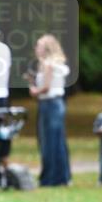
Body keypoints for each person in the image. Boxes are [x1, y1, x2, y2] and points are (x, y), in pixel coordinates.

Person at [28, 34, 71, 187]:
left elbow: (45, 88)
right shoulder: (58, 64)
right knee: (58, 141)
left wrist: (34, 90)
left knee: (48, 142)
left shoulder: (48, 65)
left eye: (38, 46)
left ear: (45, 49)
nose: (36, 49)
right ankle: (63, 176)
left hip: (49, 104)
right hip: (58, 104)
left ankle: (50, 178)